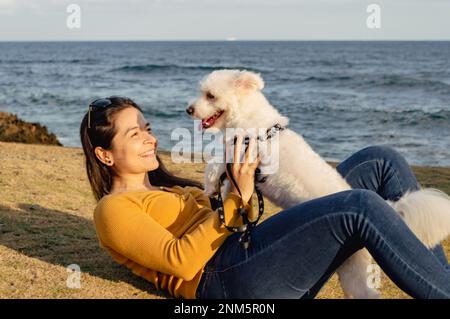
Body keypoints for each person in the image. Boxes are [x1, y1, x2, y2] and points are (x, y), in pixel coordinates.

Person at [80, 96, 450, 299]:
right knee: (360, 205)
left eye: (147, 128)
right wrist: (234, 196)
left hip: (251, 251)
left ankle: (441, 279)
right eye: (134, 134)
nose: (150, 138)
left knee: (381, 160)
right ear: (104, 155)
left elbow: (239, 218)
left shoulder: (171, 188)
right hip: (228, 283)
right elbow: (180, 262)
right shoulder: (112, 210)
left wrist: (250, 183)